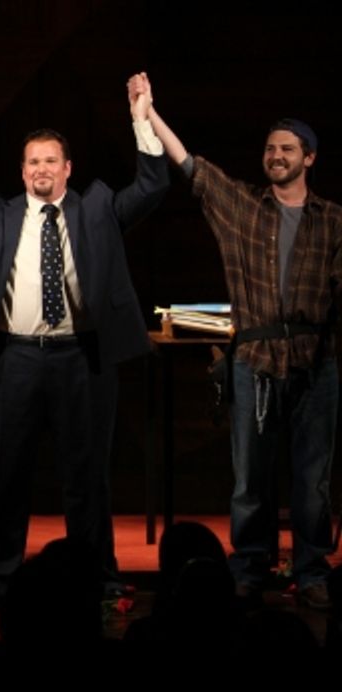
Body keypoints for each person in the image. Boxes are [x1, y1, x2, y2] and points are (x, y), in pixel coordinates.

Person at [0, 81, 169, 606]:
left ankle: (95, 577)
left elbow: (150, 189)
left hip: (82, 358)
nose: (41, 169)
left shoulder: (98, 206)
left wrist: (142, 121)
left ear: (67, 169)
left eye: (50, 161)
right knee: (5, 474)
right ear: (22, 171)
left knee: (88, 477)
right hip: (13, 358)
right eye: (32, 162)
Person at [137, 72, 340, 612]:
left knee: (312, 480)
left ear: (309, 158)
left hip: (317, 362)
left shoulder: (334, 221)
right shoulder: (244, 207)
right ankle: (251, 566)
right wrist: (149, 112)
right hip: (254, 360)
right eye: (271, 148)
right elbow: (190, 166)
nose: (276, 156)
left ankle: (312, 569)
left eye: (287, 149)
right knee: (250, 479)